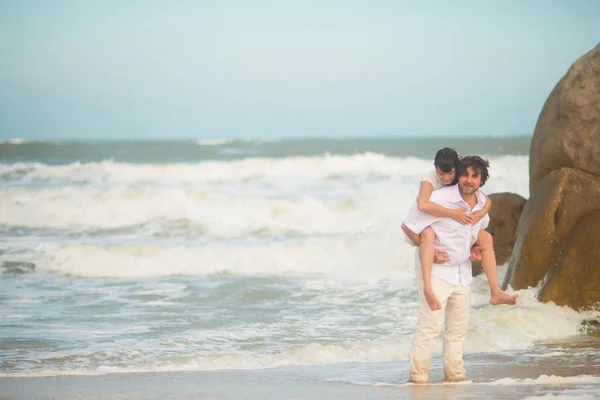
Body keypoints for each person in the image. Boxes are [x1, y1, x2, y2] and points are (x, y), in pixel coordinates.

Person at [401, 156, 514, 383]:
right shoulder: (439, 198)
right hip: (436, 272)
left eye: (474, 176)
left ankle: (455, 376)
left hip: (463, 274)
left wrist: (473, 246)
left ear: (482, 180)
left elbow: (477, 232)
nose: (468, 180)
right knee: (430, 327)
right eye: (464, 174)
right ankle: (418, 377)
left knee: (458, 330)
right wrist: (429, 250)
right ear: (458, 175)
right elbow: (409, 225)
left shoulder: (482, 202)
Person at [403, 148, 518, 311]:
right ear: (435, 169)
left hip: (451, 249)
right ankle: (428, 288)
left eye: (450, 173)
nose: (446, 178)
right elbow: (422, 206)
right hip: (419, 229)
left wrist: (473, 237)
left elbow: (487, 201)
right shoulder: (431, 181)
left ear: (456, 169)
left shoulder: (464, 185)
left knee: (485, 238)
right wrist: (452, 214)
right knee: (428, 234)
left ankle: (496, 291)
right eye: (441, 174)